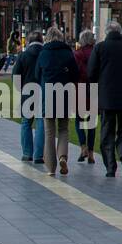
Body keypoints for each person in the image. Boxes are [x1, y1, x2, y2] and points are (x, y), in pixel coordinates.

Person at [87, 20, 122, 178]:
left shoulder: (99, 48)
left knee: (107, 132)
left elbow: (91, 73)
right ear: (120, 32)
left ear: (106, 33)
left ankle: (110, 167)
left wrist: (98, 90)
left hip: (106, 98)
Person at [35, 27, 78, 177]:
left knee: (49, 133)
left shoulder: (43, 53)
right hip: (64, 93)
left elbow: (36, 74)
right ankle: (62, 157)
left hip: (48, 94)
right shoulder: (68, 53)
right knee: (64, 129)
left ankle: (51, 168)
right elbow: (75, 74)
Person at [12, 30, 46, 164]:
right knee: (40, 123)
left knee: (26, 122)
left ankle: (27, 153)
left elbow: (16, 75)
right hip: (43, 91)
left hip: (27, 91)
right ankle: (38, 155)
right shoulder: (45, 54)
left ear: (30, 41)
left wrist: (20, 89)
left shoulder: (23, 56)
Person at [74, 30, 97, 164]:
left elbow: (74, 72)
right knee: (91, 123)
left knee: (79, 120)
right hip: (93, 88)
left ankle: (83, 147)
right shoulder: (96, 52)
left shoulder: (78, 54)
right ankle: (92, 154)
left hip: (80, 89)